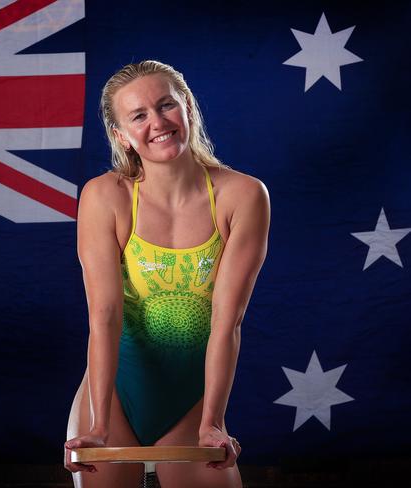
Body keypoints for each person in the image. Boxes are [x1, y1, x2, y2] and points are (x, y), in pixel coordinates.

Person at [64, 60, 270, 488]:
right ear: (121, 135)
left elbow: (225, 321)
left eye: (166, 106)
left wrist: (212, 421)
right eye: (138, 116)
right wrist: (100, 424)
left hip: (191, 399)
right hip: (116, 393)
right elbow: (104, 316)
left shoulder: (243, 195)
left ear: (188, 108)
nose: (157, 123)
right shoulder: (106, 196)